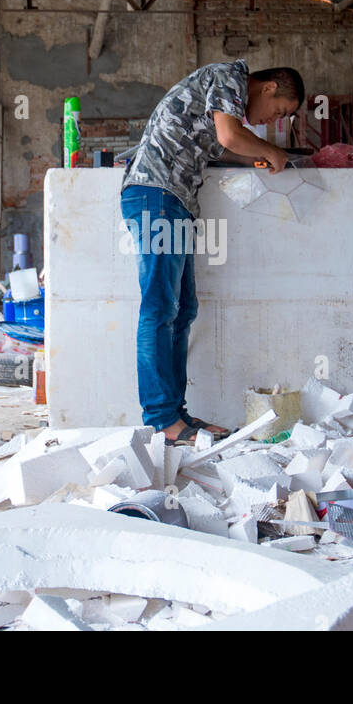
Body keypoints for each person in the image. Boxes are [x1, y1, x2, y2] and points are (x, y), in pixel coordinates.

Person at [121, 62, 304, 446]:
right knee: (159, 307)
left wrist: (257, 156)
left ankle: (176, 414)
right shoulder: (229, 77)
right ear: (268, 88)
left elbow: (224, 143)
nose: (275, 120)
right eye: (281, 110)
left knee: (183, 309)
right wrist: (273, 151)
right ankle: (160, 420)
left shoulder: (227, 102)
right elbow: (230, 135)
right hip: (156, 194)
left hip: (175, 200)